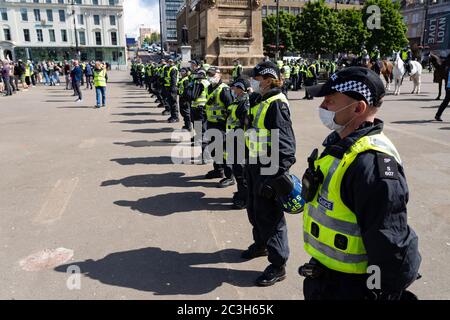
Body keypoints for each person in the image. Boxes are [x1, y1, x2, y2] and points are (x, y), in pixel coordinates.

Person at [298, 66, 421, 300]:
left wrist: (382, 290)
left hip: (353, 286)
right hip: (326, 277)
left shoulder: (372, 164)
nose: (322, 107)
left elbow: (389, 242)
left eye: (330, 101)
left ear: (358, 108)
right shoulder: (340, 145)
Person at [243, 61, 296, 286]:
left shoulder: (276, 104)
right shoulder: (261, 100)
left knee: (271, 217)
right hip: (255, 165)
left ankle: (278, 265)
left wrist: (273, 177)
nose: (253, 82)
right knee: (255, 210)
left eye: (256, 78)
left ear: (267, 78)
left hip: (268, 170)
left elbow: (286, 147)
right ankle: (261, 245)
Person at [203, 67, 233, 182]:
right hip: (211, 123)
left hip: (222, 124)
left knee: (224, 150)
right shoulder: (209, 88)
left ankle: (230, 176)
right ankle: (218, 170)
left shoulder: (224, 89)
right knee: (214, 149)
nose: (211, 77)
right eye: (209, 75)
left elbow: (231, 108)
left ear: (219, 75)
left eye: (213, 75)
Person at [225, 78, 250, 208]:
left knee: (241, 170)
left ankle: (244, 199)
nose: (232, 90)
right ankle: (242, 193)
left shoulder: (244, 102)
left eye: (234, 87)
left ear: (240, 88)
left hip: (240, 141)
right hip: (234, 139)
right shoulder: (238, 100)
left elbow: (245, 124)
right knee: (238, 169)